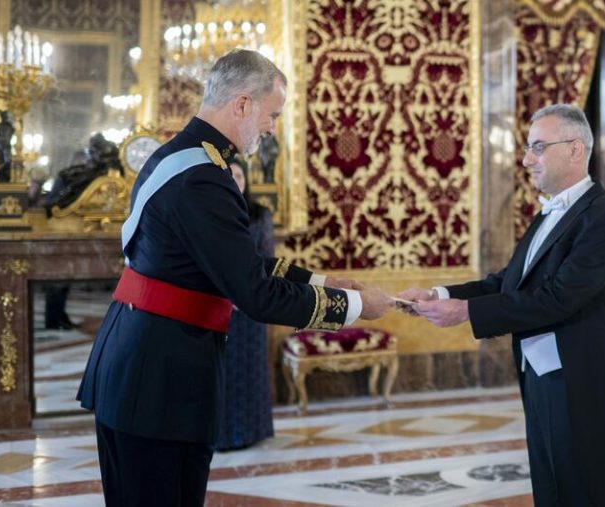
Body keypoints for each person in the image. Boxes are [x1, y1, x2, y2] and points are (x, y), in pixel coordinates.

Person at [77, 49, 394, 507]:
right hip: (157, 381)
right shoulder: (201, 177)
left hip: (151, 366)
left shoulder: (183, 157)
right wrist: (361, 309)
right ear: (242, 104)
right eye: (272, 115)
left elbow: (238, 261)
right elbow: (256, 295)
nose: (272, 128)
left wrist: (325, 283)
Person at [399, 104, 605, 507]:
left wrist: (467, 314)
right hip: (541, 374)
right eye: (528, 148)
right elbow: (507, 283)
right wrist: (442, 295)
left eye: (538, 148)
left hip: (581, 381)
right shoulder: (550, 215)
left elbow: (558, 298)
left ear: (575, 149)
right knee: (551, 489)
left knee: (584, 490)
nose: (527, 160)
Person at [216, 157, 275, 450]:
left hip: (250, 305)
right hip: (217, 304)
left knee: (249, 370)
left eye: (240, 176)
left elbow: (266, 259)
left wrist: (247, 293)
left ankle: (250, 431)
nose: (236, 181)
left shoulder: (259, 214)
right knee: (220, 372)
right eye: (231, 175)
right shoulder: (211, 213)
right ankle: (221, 435)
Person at [0, 110, 14, 182]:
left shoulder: (9, 126)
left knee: (6, 163)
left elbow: (11, 134)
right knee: (1, 162)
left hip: (5, 147)